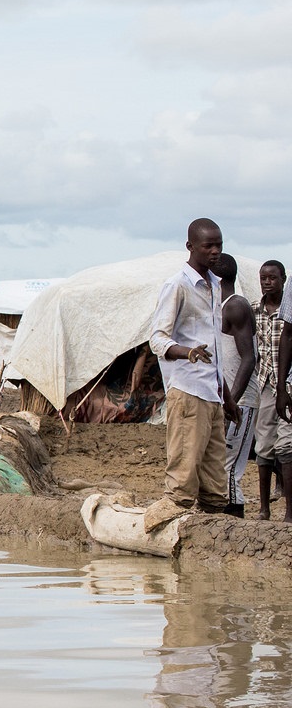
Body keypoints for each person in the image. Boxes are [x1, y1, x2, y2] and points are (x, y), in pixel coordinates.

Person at [150, 219, 229, 512]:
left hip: (212, 393)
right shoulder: (178, 285)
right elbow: (157, 339)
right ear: (190, 247)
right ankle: (170, 542)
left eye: (219, 245)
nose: (215, 251)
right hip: (187, 390)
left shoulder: (215, 285)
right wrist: (187, 352)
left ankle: (210, 538)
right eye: (208, 245)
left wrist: (227, 397)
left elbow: (217, 349)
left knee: (215, 484)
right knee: (183, 480)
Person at [216, 253, 258, 518]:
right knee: (220, 463)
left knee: (230, 467)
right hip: (225, 397)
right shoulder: (214, 307)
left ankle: (234, 521)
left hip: (239, 399)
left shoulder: (235, 306)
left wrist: (232, 402)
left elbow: (249, 358)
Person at [257, 261, 291, 519]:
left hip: (284, 380)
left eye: (273, 278)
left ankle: (287, 509)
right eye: (263, 278)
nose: (268, 283)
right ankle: (264, 508)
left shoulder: (285, 309)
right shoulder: (254, 310)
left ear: (283, 279)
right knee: (265, 443)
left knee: (285, 443)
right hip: (268, 381)